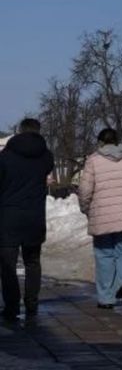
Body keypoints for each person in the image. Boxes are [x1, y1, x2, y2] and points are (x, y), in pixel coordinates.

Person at [78, 128, 122, 312]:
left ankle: (106, 298)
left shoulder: (93, 160)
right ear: (117, 141)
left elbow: (85, 191)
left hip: (102, 216)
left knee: (104, 256)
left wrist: (87, 209)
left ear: (100, 142)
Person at [0, 117, 55, 323]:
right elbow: (47, 170)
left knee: (8, 265)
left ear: (19, 131)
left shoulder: (5, 156)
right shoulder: (46, 156)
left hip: (8, 217)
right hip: (34, 216)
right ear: (38, 131)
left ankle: (12, 306)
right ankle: (31, 303)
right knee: (33, 262)